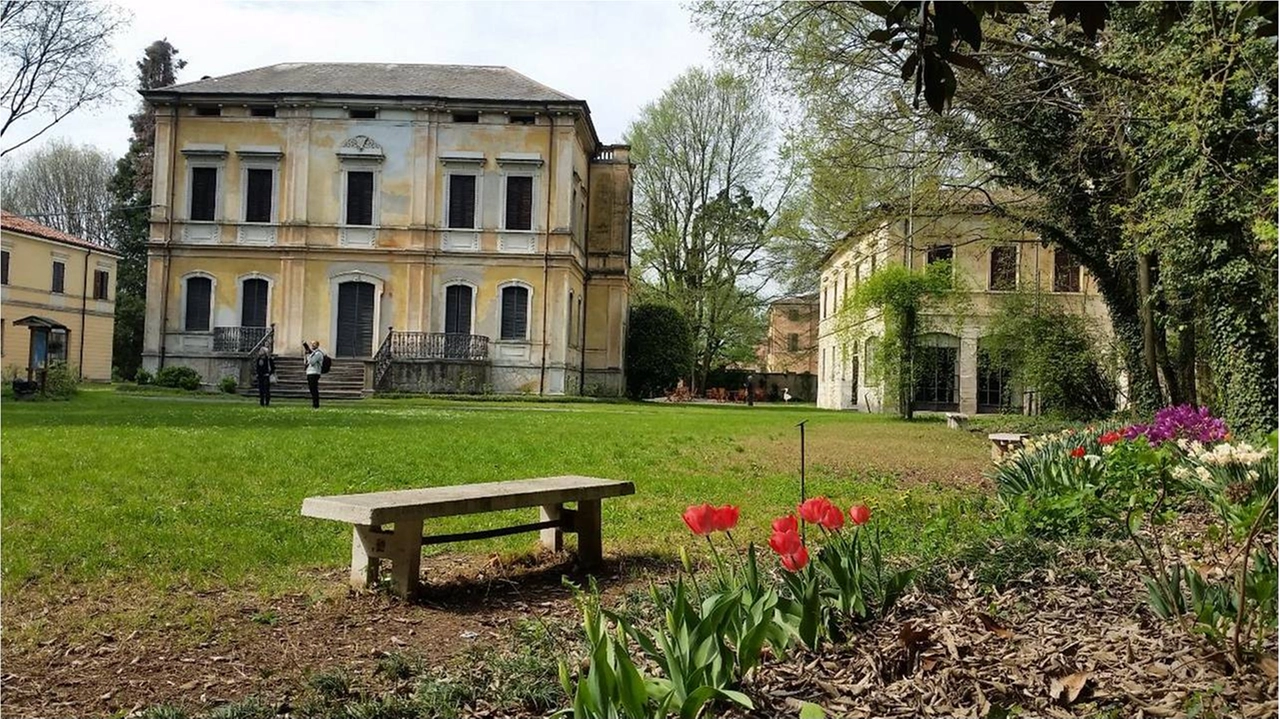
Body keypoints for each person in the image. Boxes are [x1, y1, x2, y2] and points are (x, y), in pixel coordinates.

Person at [303, 340, 324, 408]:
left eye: (314, 344)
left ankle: (316, 404)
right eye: (312, 344)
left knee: (314, 389)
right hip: (309, 372)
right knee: (311, 388)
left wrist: (309, 354)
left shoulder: (318, 353)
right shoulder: (312, 353)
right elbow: (306, 362)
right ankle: (314, 403)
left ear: (317, 345)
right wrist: (306, 355)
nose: (312, 345)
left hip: (315, 372)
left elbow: (312, 362)